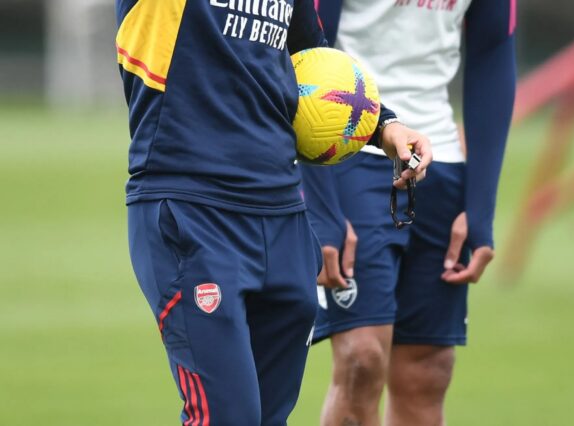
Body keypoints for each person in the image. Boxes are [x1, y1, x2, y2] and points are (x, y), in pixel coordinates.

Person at [115, 0, 431, 424]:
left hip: (283, 216)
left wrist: (382, 126)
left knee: (268, 416)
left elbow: (306, 55)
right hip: (194, 211)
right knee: (227, 416)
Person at [301, 0, 517, 424]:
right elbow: (305, 49)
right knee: (361, 360)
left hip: (442, 162)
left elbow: (494, 52)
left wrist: (480, 207)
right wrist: (322, 210)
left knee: (428, 370)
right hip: (350, 150)